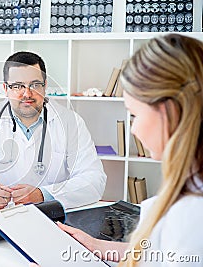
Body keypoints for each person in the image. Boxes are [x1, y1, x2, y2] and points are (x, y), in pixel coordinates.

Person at [56, 34, 203, 266]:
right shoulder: (190, 191)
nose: (133, 129)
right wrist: (98, 246)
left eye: (135, 114)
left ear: (169, 113)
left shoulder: (191, 214)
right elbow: (162, 254)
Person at [0, 51, 107, 211]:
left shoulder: (71, 123)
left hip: (52, 214)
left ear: (45, 86)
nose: (27, 93)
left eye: (35, 85)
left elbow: (93, 179)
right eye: (17, 86)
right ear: (5, 89)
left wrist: (43, 195)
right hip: (3, 214)